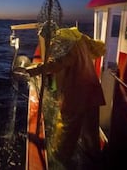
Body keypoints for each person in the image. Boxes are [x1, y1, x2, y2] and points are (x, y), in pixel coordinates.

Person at [26, 25, 106, 169]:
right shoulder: (79, 37)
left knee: (64, 137)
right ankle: (95, 159)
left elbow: (57, 64)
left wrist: (31, 70)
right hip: (93, 92)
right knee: (91, 133)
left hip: (75, 97)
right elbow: (98, 49)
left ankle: (58, 163)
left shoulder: (61, 41)